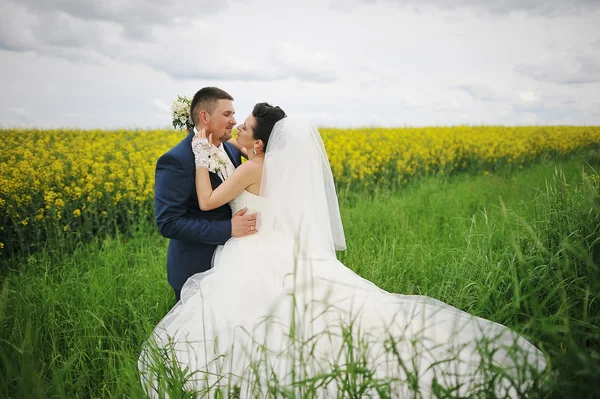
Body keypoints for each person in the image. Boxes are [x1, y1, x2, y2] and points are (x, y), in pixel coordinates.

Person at [140, 104, 547, 398]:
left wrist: (198, 156)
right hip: (282, 248)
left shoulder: (250, 167)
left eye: (244, 125)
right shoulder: (269, 168)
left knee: (258, 320)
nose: (239, 129)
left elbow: (209, 201)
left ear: (260, 142)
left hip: (251, 251)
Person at [154, 87, 257, 302]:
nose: (233, 120)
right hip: (197, 269)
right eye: (227, 114)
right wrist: (228, 228)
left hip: (237, 264)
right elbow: (169, 223)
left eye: (233, 114)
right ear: (204, 116)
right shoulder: (176, 160)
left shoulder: (230, 149)